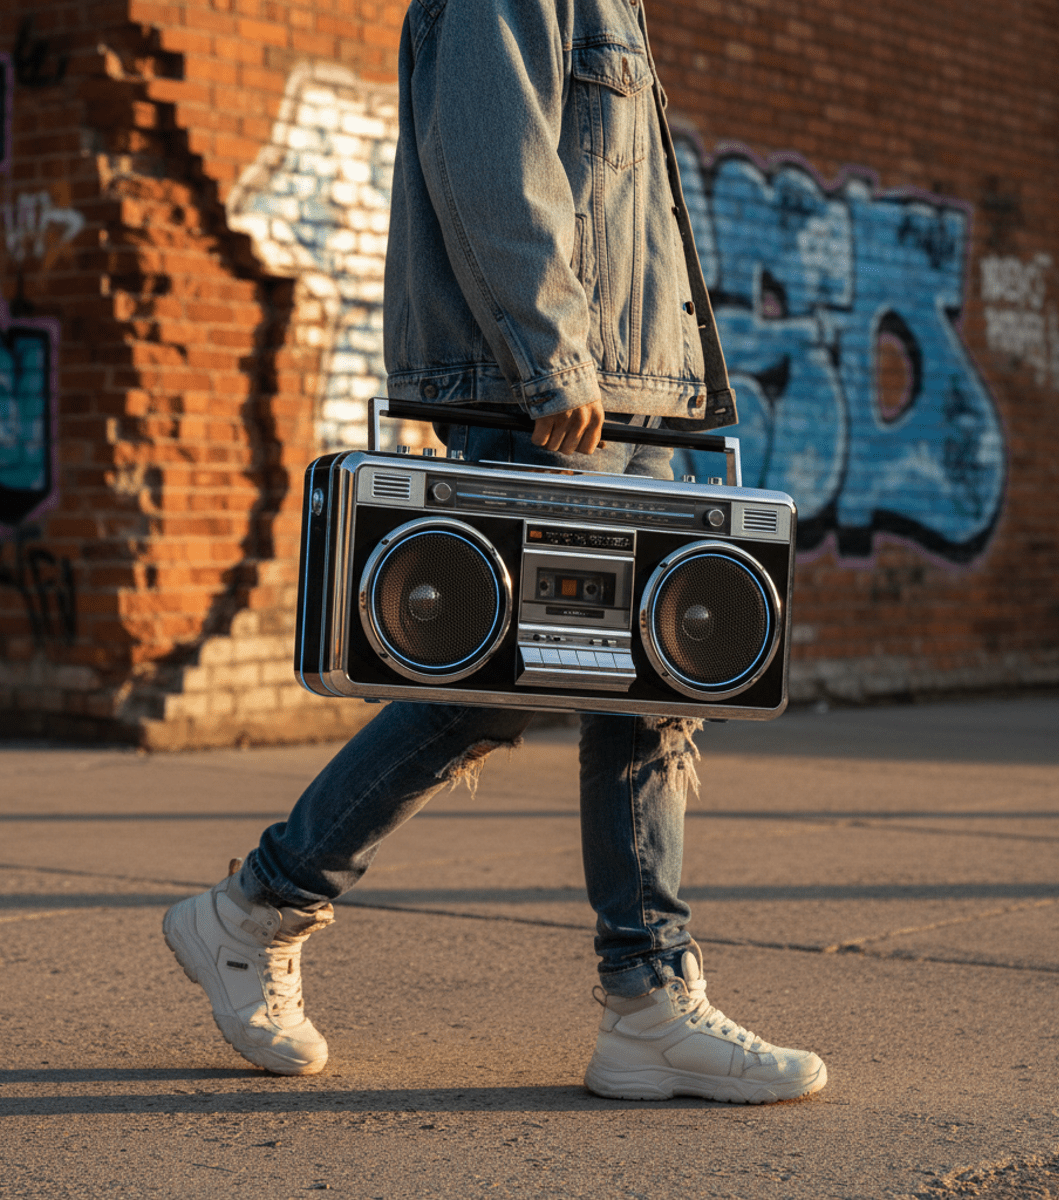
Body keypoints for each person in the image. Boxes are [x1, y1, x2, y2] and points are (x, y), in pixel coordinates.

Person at [163, 0, 827, 1105]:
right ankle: (256, 909)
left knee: (651, 684)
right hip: (554, 394)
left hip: (632, 398)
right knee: (483, 686)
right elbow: (488, 154)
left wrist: (667, 391)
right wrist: (547, 353)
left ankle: (648, 1002)